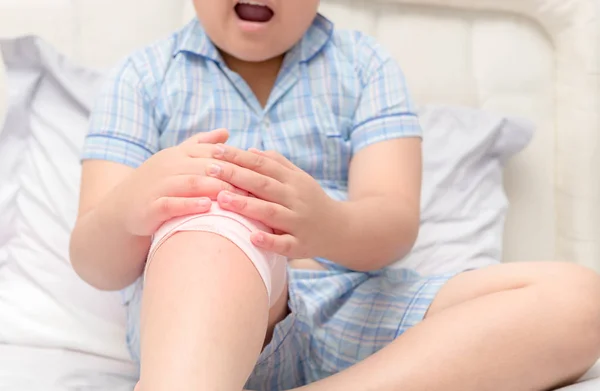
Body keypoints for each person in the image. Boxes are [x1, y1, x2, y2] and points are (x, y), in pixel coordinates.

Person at [69, 1, 600, 390]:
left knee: (583, 300)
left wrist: (323, 223)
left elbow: (392, 225)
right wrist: (131, 204)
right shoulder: (142, 77)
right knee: (214, 227)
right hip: (202, 322)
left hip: (356, 305)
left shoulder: (364, 65)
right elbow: (94, 263)